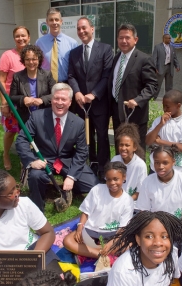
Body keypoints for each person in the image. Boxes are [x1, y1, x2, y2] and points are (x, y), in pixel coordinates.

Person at [15, 83, 99, 212]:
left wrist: (71, 177)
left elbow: (82, 152)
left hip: (67, 160)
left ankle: (68, 186)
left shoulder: (78, 123)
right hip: (44, 159)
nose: (59, 102)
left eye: (63, 99)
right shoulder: (37, 117)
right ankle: (37, 208)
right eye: (56, 98)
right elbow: (21, 140)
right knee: (36, 177)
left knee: (93, 184)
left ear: (70, 102)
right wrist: (31, 161)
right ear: (51, 99)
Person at [107, 211, 182, 286]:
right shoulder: (123, 271)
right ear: (138, 239)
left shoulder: (171, 254)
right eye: (149, 236)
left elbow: (174, 282)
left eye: (164, 237)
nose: (158, 243)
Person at [68, 17, 113, 180]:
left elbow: (107, 75)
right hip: (81, 103)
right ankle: (89, 165)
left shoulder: (106, 49)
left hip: (99, 102)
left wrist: (93, 94)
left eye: (84, 28)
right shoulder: (73, 53)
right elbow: (71, 75)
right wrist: (78, 93)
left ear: (92, 29)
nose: (81, 31)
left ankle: (103, 167)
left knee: (101, 136)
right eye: (79, 29)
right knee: (85, 136)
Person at [63, 161, 134, 259]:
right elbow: (86, 212)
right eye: (108, 180)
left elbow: (122, 229)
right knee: (68, 241)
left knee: (130, 244)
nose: (112, 183)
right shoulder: (97, 190)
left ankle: (88, 252)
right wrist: (80, 227)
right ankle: (100, 254)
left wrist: (111, 243)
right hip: (91, 231)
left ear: (124, 177)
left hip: (112, 235)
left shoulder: (127, 201)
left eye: (116, 179)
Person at [108, 23, 157, 151]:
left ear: (135, 40)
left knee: (136, 149)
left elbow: (152, 86)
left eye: (127, 37)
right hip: (118, 113)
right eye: (120, 37)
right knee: (121, 148)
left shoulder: (144, 59)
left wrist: (137, 100)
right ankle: (121, 170)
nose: (123, 41)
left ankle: (137, 171)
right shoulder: (116, 58)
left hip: (135, 115)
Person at [136, 145, 182, 224]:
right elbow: (143, 214)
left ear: (173, 162)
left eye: (165, 163)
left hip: (178, 228)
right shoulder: (147, 182)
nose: (160, 166)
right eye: (157, 163)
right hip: (154, 227)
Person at [0, 26, 30, 170]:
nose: (21, 38)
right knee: (10, 132)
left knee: (28, 131)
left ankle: (25, 157)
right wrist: (4, 103)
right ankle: (6, 154)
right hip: (12, 102)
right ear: (14, 38)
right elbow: (1, 80)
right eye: (17, 36)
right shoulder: (8, 55)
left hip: (28, 102)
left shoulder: (32, 55)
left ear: (29, 37)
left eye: (23, 36)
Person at [146, 89, 182, 175]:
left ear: (178, 106)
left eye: (167, 106)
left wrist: (160, 142)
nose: (164, 109)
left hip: (179, 168)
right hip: (157, 167)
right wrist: (160, 124)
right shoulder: (158, 121)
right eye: (163, 106)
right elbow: (148, 141)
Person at [9, 44, 56, 124]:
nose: (31, 62)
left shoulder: (47, 75)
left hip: (44, 116)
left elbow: (55, 94)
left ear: (39, 60)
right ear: (23, 60)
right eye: (27, 59)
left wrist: (42, 100)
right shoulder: (17, 76)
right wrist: (23, 99)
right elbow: (12, 97)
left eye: (34, 59)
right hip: (25, 117)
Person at [36, 8, 78, 83]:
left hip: (66, 84)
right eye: (51, 20)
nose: (54, 22)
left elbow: (76, 68)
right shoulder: (39, 43)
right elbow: (36, 64)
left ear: (61, 21)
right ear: (47, 22)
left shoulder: (72, 43)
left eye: (56, 19)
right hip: (45, 84)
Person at [111, 123, 147, 201]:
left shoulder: (140, 165)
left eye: (127, 145)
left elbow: (140, 192)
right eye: (121, 145)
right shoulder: (115, 160)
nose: (123, 148)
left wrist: (127, 201)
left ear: (134, 147)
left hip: (133, 203)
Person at [151, 34, 180, 99]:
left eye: (170, 38)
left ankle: (168, 98)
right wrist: (154, 67)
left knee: (169, 85)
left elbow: (175, 58)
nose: (170, 40)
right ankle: (153, 97)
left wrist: (177, 66)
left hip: (169, 67)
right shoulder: (158, 47)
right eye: (168, 38)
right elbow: (154, 58)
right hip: (161, 67)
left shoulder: (172, 48)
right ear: (164, 39)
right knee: (158, 84)